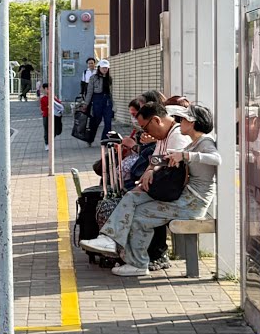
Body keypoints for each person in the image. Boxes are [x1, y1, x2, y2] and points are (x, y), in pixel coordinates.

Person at [82, 105, 218, 276]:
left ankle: (136, 262)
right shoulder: (194, 143)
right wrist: (151, 168)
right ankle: (112, 241)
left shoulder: (205, 142)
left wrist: (186, 156)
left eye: (182, 119)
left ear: (192, 122)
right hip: (184, 198)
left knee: (139, 216)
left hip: (191, 204)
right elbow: (168, 159)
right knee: (134, 201)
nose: (179, 122)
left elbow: (216, 158)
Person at [83, 59, 115, 139]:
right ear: (99, 68)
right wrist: (86, 104)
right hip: (97, 100)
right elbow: (89, 92)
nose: (105, 70)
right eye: (103, 68)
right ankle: (90, 137)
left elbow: (111, 92)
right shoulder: (93, 78)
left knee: (108, 122)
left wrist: (113, 103)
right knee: (96, 120)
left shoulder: (109, 78)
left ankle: (105, 140)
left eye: (106, 68)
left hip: (107, 101)